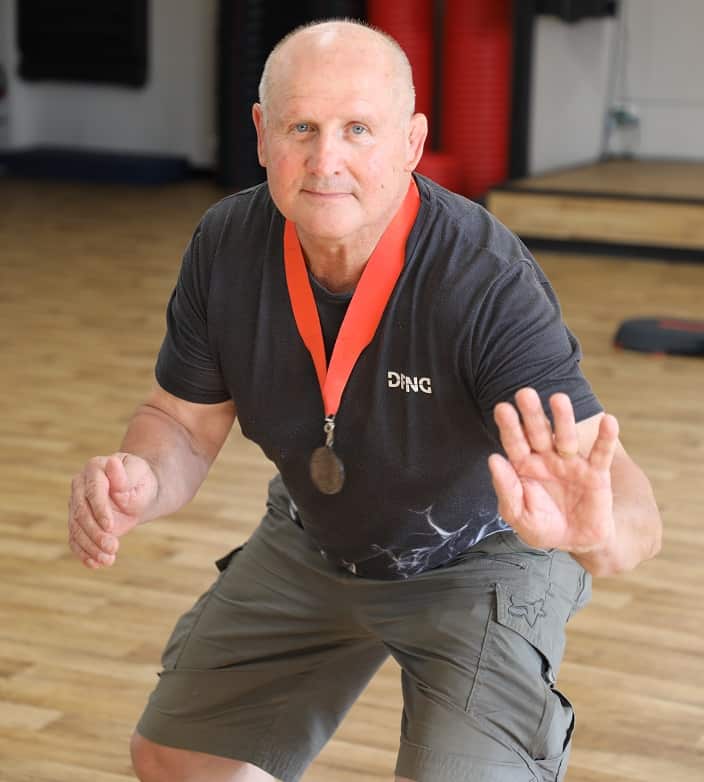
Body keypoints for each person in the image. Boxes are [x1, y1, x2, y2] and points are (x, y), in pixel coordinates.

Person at [67, 19, 661, 782]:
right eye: (302, 128)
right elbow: (178, 421)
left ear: (412, 143)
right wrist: (140, 481)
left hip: (481, 553)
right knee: (176, 756)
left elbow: (624, 490)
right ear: (260, 133)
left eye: (357, 129)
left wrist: (596, 533)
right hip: (318, 536)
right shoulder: (226, 245)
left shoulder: (481, 281)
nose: (326, 161)